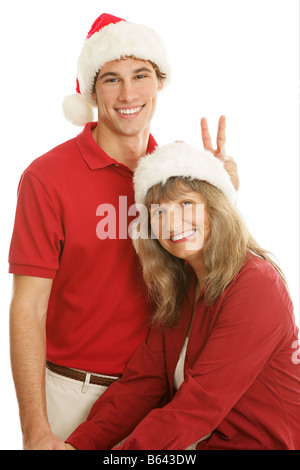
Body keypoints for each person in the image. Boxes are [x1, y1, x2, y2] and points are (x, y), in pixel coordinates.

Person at [8, 13, 238, 450]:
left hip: (162, 394)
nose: (128, 93)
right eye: (111, 79)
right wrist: (35, 429)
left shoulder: (177, 177)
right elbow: (28, 307)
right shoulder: (46, 178)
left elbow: (213, 277)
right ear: (91, 91)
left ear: (159, 83)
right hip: (77, 395)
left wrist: (221, 196)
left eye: (141, 75)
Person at [65, 142, 300, 450]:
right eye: (159, 212)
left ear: (214, 207)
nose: (172, 223)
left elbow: (199, 406)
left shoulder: (255, 284)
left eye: (186, 204)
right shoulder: (185, 284)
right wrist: (76, 445)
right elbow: (143, 383)